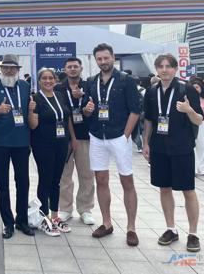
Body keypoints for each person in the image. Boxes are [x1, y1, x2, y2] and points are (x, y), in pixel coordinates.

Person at [142, 54, 203, 253]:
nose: (164, 70)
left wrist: (188, 110)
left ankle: (193, 233)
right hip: (159, 147)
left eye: (168, 66)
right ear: (156, 69)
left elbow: (199, 120)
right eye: (160, 66)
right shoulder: (151, 91)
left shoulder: (186, 89)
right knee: (164, 188)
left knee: (188, 190)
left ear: (175, 69)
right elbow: (149, 120)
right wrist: (145, 143)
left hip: (182, 147)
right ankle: (171, 229)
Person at [83, 43, 141, 246]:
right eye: (99, 59)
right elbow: (86, 110)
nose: (103, 61)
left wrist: (126, 135)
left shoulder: (126, 80)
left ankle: (131, 228)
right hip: (97, 136)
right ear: (96, 60)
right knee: (101, 180)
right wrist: (88, 110)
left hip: (119, 136)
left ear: (113, 57)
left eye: (106, 58)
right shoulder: (91, 81)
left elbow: (135, 110)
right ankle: (106, 223)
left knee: (127, 181)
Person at [0, 54, 34, 239]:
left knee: (23, 182)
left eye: (12, 68)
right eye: (5, 67)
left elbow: (30, 112)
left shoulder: (25, 87)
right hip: (1, 143)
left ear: (17, 70)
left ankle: (22, 220)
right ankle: (8, 222)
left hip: (22, 142)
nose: (8, 70)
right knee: (2, 183)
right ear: (1, 69)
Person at [29, 68, 71, 236]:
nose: (48, 81)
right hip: (43, 144)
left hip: (61, 143)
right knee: (45, 180)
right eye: (44, 78)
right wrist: (31, 110)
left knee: (56, 181)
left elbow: (66, 118)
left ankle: (55, 216)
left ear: (55, 80)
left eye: (50, 78)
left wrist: (72, 140)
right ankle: (44, 217)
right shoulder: (35, 98)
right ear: (39, 81)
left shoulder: (60, 95)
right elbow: (33, 125)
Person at [55, 57, 95, 226]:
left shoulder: (89, 86)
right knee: (64, 175)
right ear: (65, 70)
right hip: (64, 138)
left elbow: (96, 107)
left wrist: (85, 105)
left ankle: (85, 209)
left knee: (87, 174)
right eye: (69, 67)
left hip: (85, 136)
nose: (72, 69)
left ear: (81, 68)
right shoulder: (58, 88)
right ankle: (65, 208)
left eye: (75, 66)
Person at [191, 79, 204, 176]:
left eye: (197, 87)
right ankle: (194, 168)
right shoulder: (188, 100)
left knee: (202, 146)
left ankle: (203, 168)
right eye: (194, 87)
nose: (195, 89)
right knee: (193, 146)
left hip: (202, 124)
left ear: (201, 89)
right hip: (191, 124)